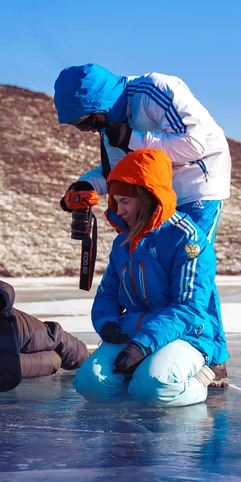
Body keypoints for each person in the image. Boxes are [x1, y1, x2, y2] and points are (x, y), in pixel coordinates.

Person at [54, 63, 230, 385]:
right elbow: (123, 174)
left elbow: (197, 142)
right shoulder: (112, 125)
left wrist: (134, 137)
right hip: (152, 192)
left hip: (197, 187)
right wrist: (86, 186)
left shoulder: (154, 90)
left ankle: (211, 355)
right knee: (151, 264)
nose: (91, 129)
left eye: (90, 120)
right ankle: (152, 342)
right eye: (81, 126)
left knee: (191, 270)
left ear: (102, 103)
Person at [74, 148, 219, 408]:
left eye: (124, 202)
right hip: (135, 330)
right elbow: (108, 292)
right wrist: (106, 322)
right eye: (116, 202)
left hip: (185, 335)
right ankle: (138, 383)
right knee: (90, 383)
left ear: (147, 197)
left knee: (155, 386)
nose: (119, 210)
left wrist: (143, 345)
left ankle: (198, 380)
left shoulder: (187, 239)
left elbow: (189, 307)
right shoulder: (123, 242)